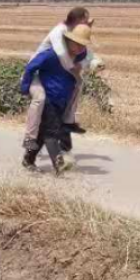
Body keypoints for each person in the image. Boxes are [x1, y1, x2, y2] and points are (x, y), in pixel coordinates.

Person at [24, 8, 104, 149]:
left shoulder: (73, 32)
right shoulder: (59, 31)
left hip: (57, 69)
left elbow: (84, 51)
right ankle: (29, 137)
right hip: (39, 69)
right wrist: (74, 68)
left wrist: (94, 62)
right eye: (85, 20)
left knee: (78, 84)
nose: (87, 23)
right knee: (40, 98)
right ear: (77, 20)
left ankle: (68, 121)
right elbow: (61, 54)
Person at [21, 24, 94, 175]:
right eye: (77, 43)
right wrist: (25, 88)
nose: (80, 48)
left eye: (83, 45)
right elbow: (31, 67)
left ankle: (28, 159)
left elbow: (88, 61)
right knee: (52, 132)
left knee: (43, 131)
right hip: (49, 98)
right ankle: (58, 163)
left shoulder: (80, 57)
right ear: (68, 40)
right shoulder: (52, 54)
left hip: (62, 101)